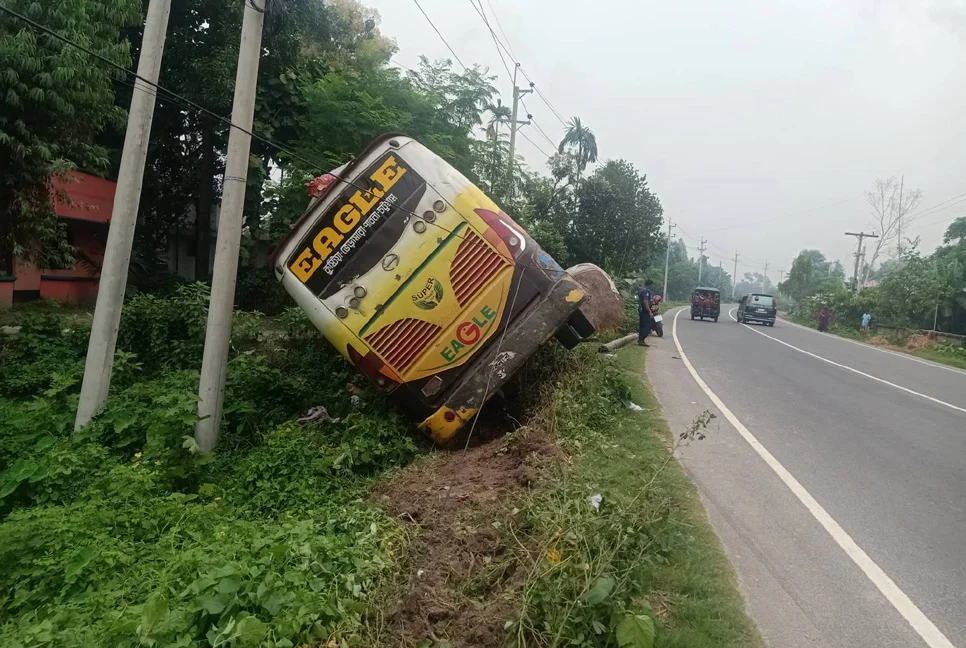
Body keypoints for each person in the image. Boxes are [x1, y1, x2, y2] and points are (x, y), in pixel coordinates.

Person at [638, 279, 655, 346]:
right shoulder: (645, 291)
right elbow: (645, 301)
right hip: (645, 310)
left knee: (642, 325)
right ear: (650, 285)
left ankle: (641, 339)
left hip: (642, 309)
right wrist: (649, 311)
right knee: (648, 325)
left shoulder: (641, 289)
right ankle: (641, 339)